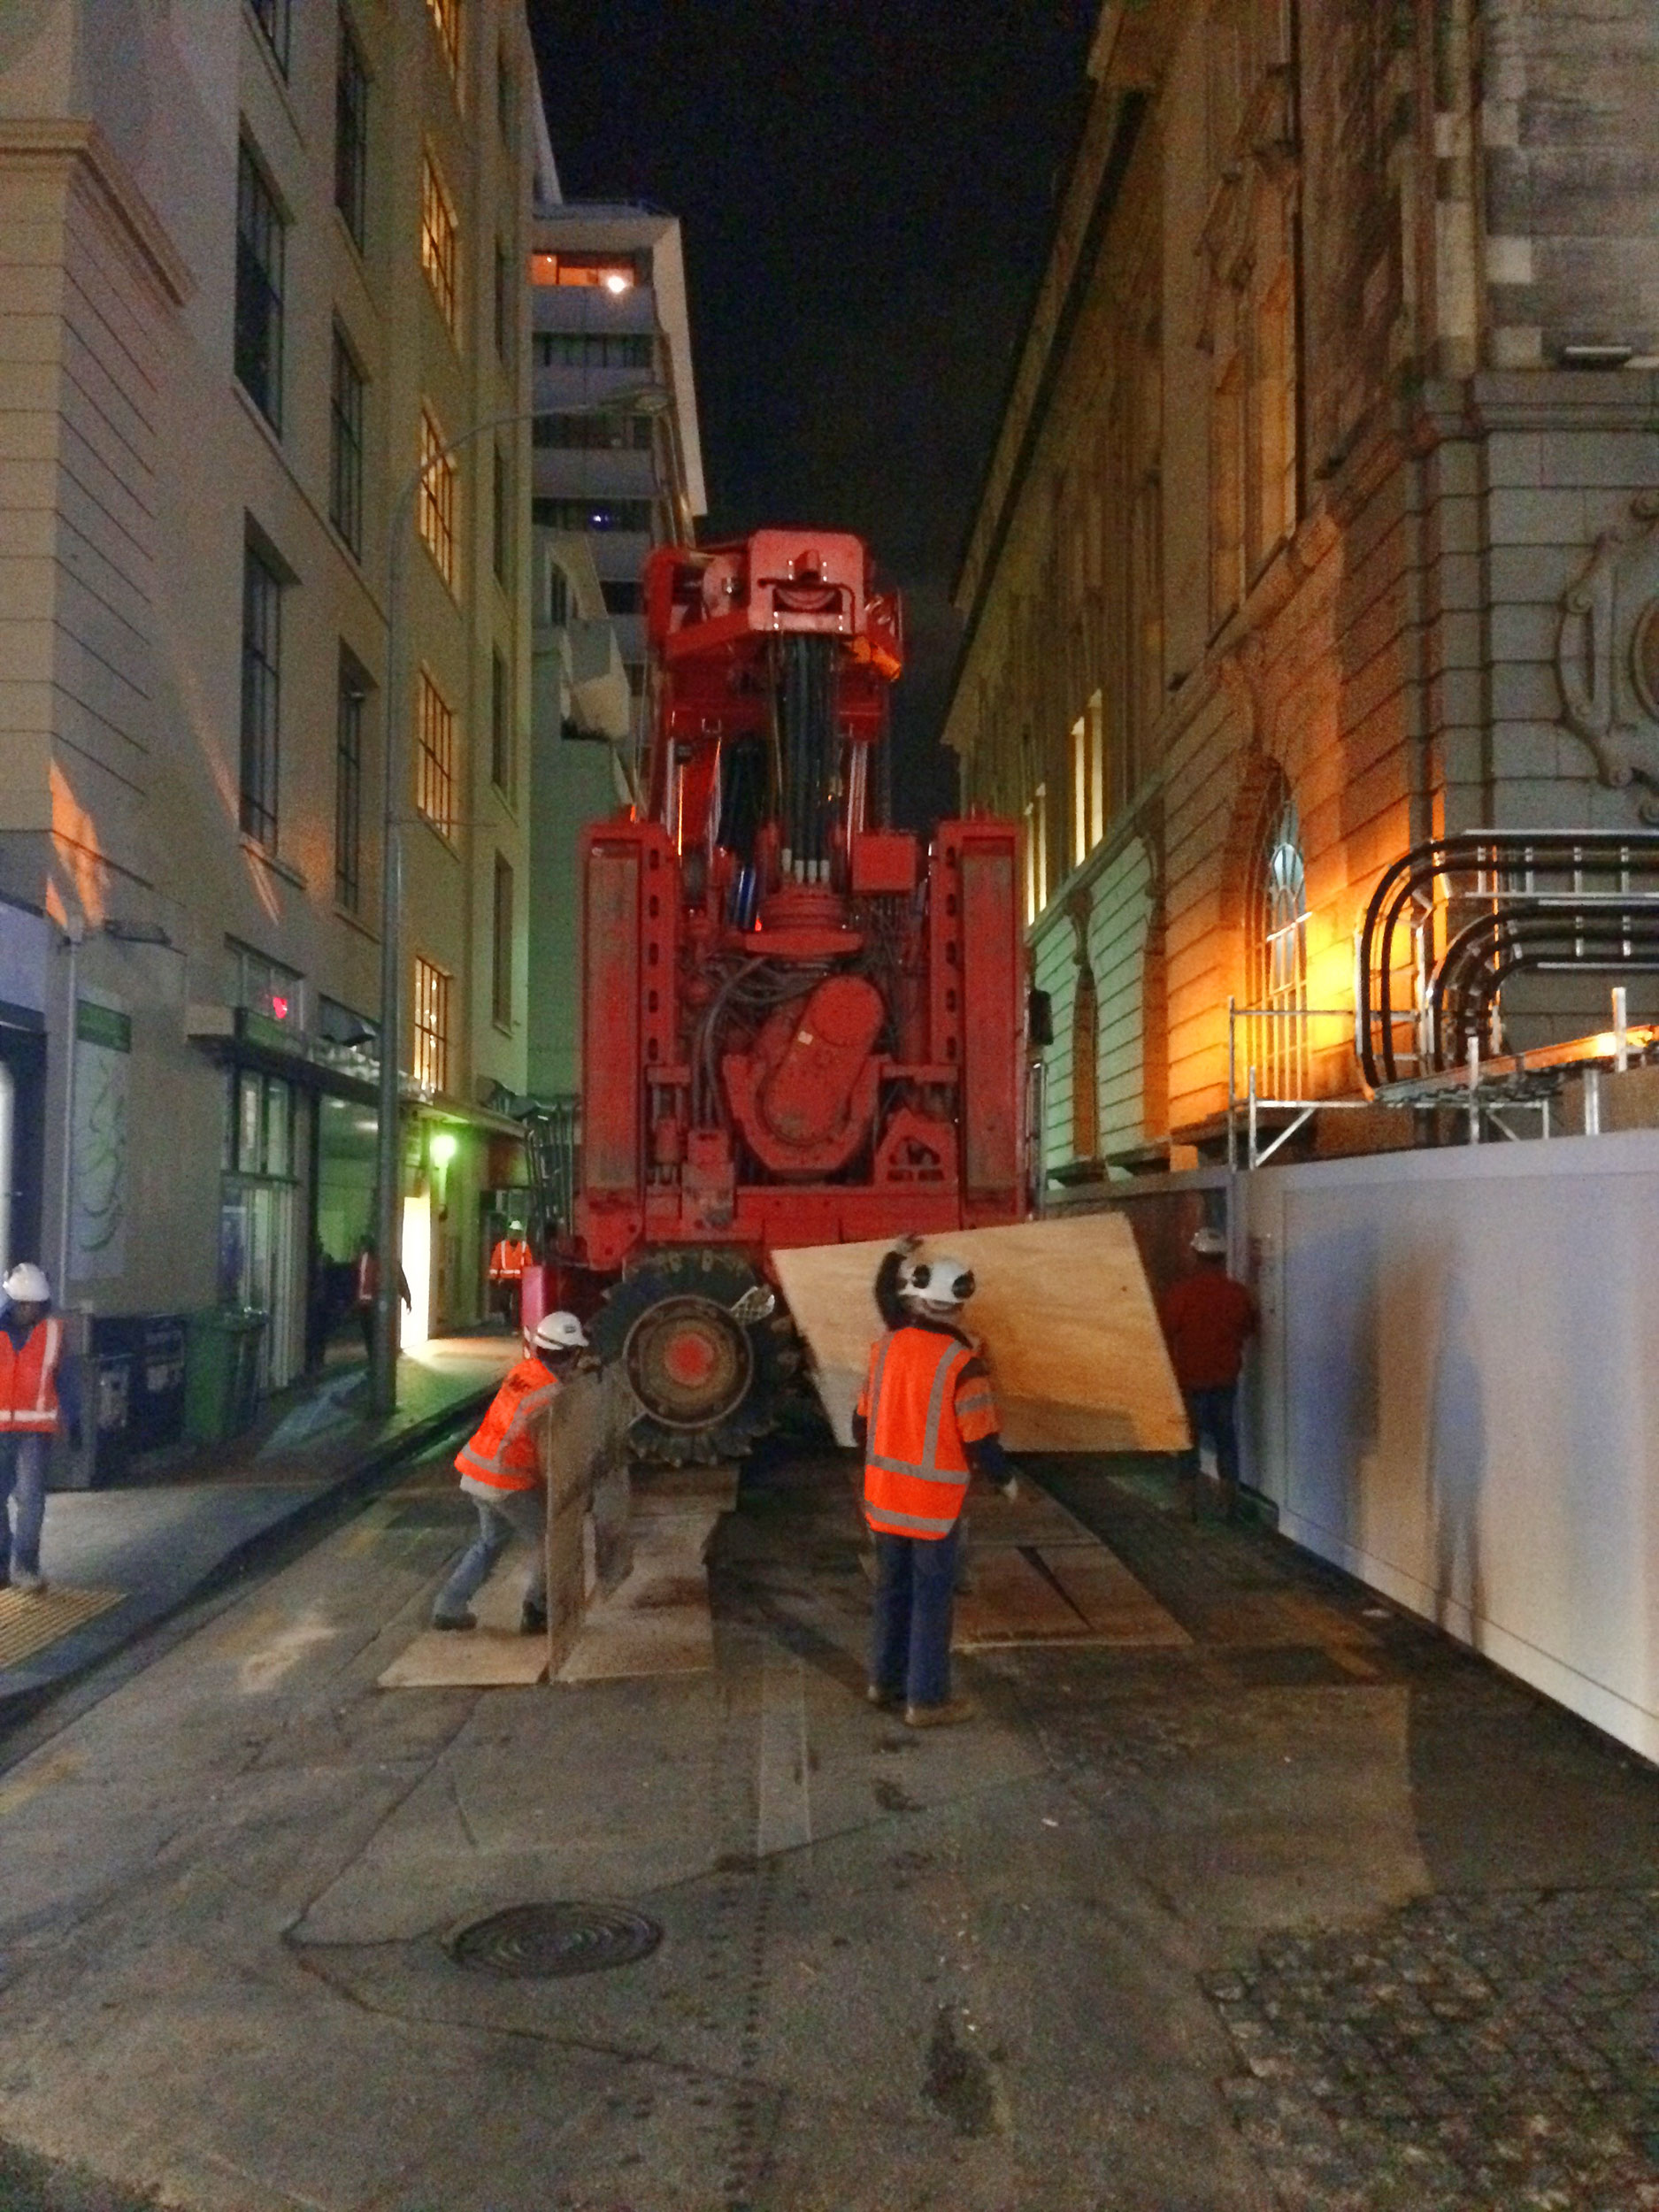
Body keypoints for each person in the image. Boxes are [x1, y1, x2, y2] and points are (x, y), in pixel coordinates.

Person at [854, 1248, 1017, 1729]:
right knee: (931, 1600)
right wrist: (1005, 1480)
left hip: (883, 1500)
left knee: (891, 1591)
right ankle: (926, 1701)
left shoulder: (884, 1349)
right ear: (960, 1304)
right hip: (932, 1509)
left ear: (918, 1300)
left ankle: (883, 1683)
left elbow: (859, 1424)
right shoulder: (963, 1365)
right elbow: (982, 1438)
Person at [431, 1309, 590, 1634]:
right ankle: (537, 1611)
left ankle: (448, 1607)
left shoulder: (523, 1372)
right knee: (550, 1539)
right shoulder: (552, 1396)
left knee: (489, 1542)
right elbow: (551, 1452)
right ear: (569, 1355)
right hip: (504, 1480)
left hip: (476, 1471)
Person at [1157, 1225, 1258, 1521]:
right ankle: (1229, 1506)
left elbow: (1166, 1330)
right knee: (1227, 1440)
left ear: (1196, 1256)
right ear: (1223, 1258)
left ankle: (1186, 1507)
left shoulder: (1181, 1293)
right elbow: (1249, 1327)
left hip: (1190, 1380)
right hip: (1225, 1380)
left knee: (1188, 1443)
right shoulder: (1237, 1294)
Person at [0, 1263, 81, 1594]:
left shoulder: (54, 1332)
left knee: (31, 1499)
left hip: (35, 1429)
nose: (33, 1311)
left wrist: (74, 1423)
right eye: (27, 1305)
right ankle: (4, 1564)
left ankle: (25, 1566)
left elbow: (67, 1381)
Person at [353, 1235, 411, 1361]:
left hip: (373, 1304)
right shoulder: (366, 1259)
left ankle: (376, 1362)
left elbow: (399, 1278)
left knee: (374, 1336)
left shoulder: (379, 1260)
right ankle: (374, 1361)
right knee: (371, 1336)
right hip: (367, 1305)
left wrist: (407, 1296)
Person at [488, 1220, 533, 1329]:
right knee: (503, 1301)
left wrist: (529, 1279)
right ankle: (508, 1319)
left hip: (519, 1280)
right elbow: (495, 1262)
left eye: (517, 1232)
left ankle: (515, 1325)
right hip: (505, 1280)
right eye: (513, 1232)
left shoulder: (524, 1247)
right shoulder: (501, 1246)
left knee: (517, 1304)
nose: (515, 1235)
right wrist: (493, 1278)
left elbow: (529, 1263)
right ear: (509, 1232)